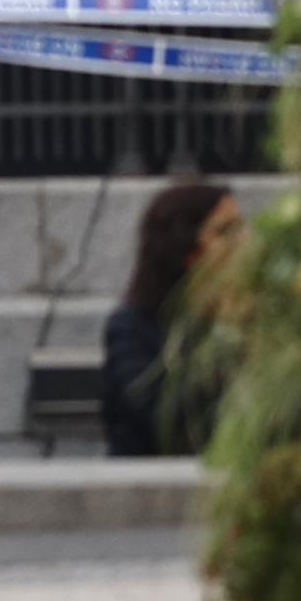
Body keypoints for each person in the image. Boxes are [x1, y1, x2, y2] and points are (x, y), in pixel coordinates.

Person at [100, 174, 233, 460]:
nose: (243, 243)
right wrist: (225, 334)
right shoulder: (131, 327)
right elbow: (160, 418)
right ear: (187, 249)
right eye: (224, 232)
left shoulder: (259, 318)